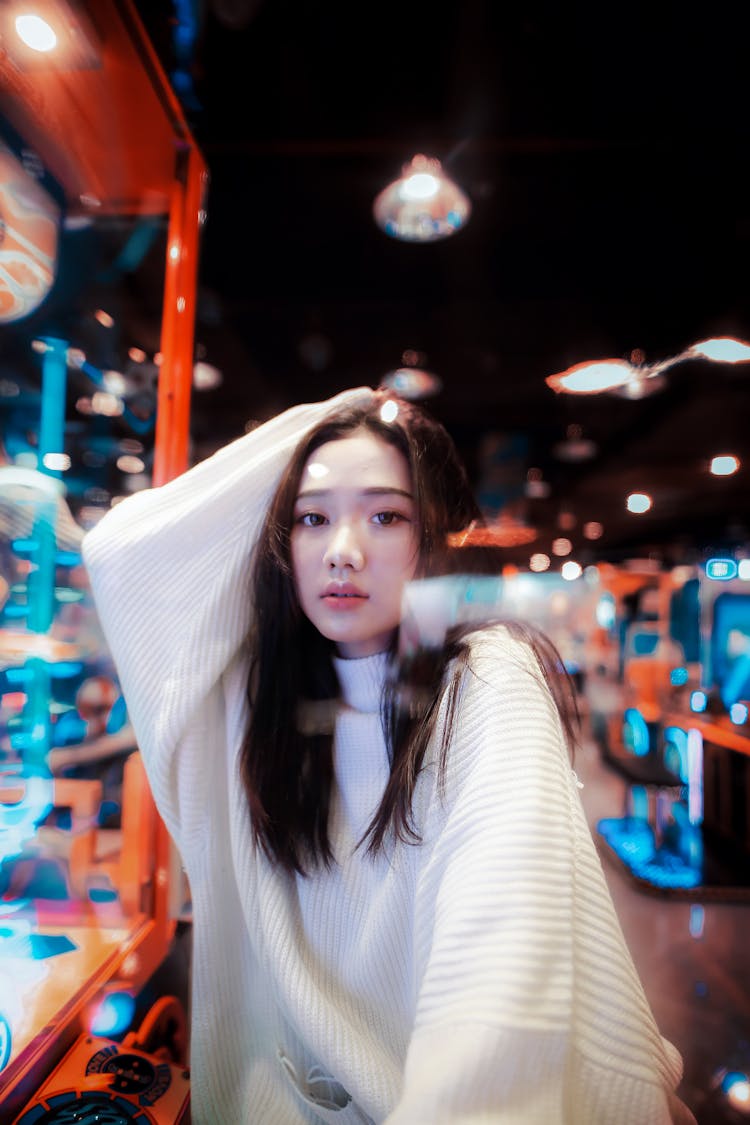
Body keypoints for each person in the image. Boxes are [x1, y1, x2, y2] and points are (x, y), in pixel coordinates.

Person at [82, 386, 695, 1124]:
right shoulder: (249, 696)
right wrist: (331, 416)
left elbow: (494, 997)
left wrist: (352, 431)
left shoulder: (485, 679)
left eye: (384, 515)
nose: (344, 550)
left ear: (425, 539)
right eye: (311, 518)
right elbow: (121, 554)